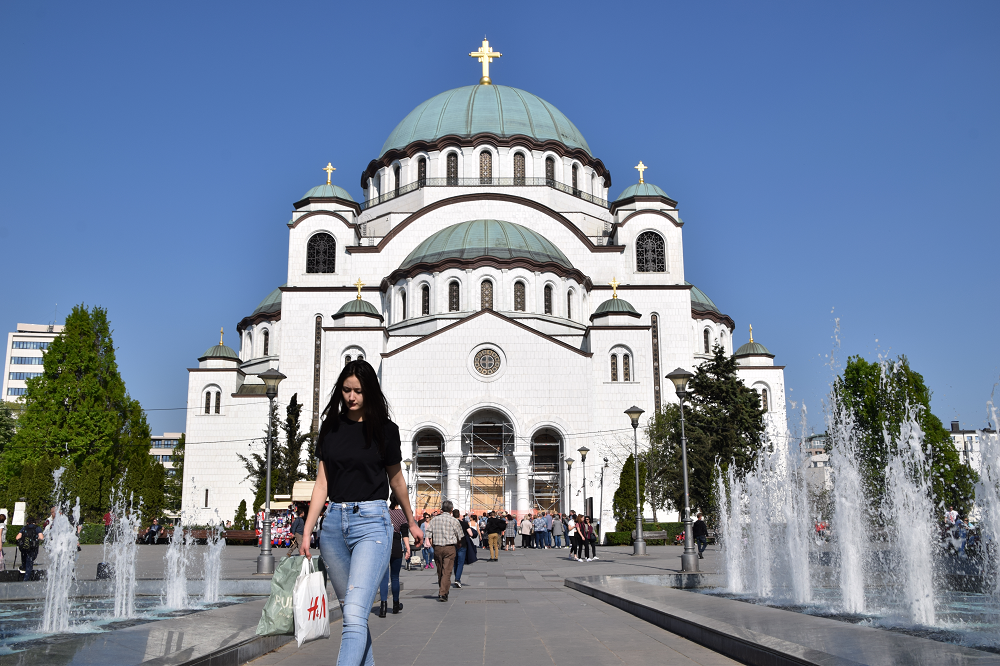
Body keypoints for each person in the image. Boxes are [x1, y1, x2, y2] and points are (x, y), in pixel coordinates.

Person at [299, 359, 423, 666]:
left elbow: (397, 480)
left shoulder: (385, 430)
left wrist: (412, 520)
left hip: (372, 523)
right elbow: (321, 484)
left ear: (370, 392)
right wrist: (307, 530)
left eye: (358, 391)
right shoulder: (331, 428)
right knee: (355, 616)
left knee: (353, 617)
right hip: (332, 529)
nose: (351, 397)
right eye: (346, 390)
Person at [424, 500, 465, 601]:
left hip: (437, 547)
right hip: (450, 547)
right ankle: (443, 593)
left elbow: (428, 534)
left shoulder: (434, 520)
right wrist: (459, 544)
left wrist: (432, 544)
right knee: (447, 571)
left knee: (440, 570)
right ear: (451, 510)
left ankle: (443, 590)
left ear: (442, 509)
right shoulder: (454, 521)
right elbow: (460, 536)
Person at [378, 494, 410, 617]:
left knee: (384, 578)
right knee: (395, 577)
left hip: (384, 546)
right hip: (396, 546)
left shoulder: (384, 512)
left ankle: (383, 607)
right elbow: (405, 533)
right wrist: (407, 548)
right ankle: (396, 604)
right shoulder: (402, 514)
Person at [453, 509, 476, 589]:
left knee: (455, 563)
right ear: (459, 515)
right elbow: (471, 534)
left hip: (452, 545)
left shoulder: (451, 524)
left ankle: (456, 577)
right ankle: (457, 579)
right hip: (462, 545)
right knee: (460, 563)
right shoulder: (464, 524)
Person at [16, 516, 43, 581]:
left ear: (27, 522)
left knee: (24, 562)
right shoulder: (37, 528)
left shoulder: (24, 528)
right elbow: (41, 537)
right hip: (33, 548)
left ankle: (22, 569)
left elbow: (17, 537)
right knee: (29, 564)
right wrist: (36, 538)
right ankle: (26, 580)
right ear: (34, 522)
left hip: (24, 548)